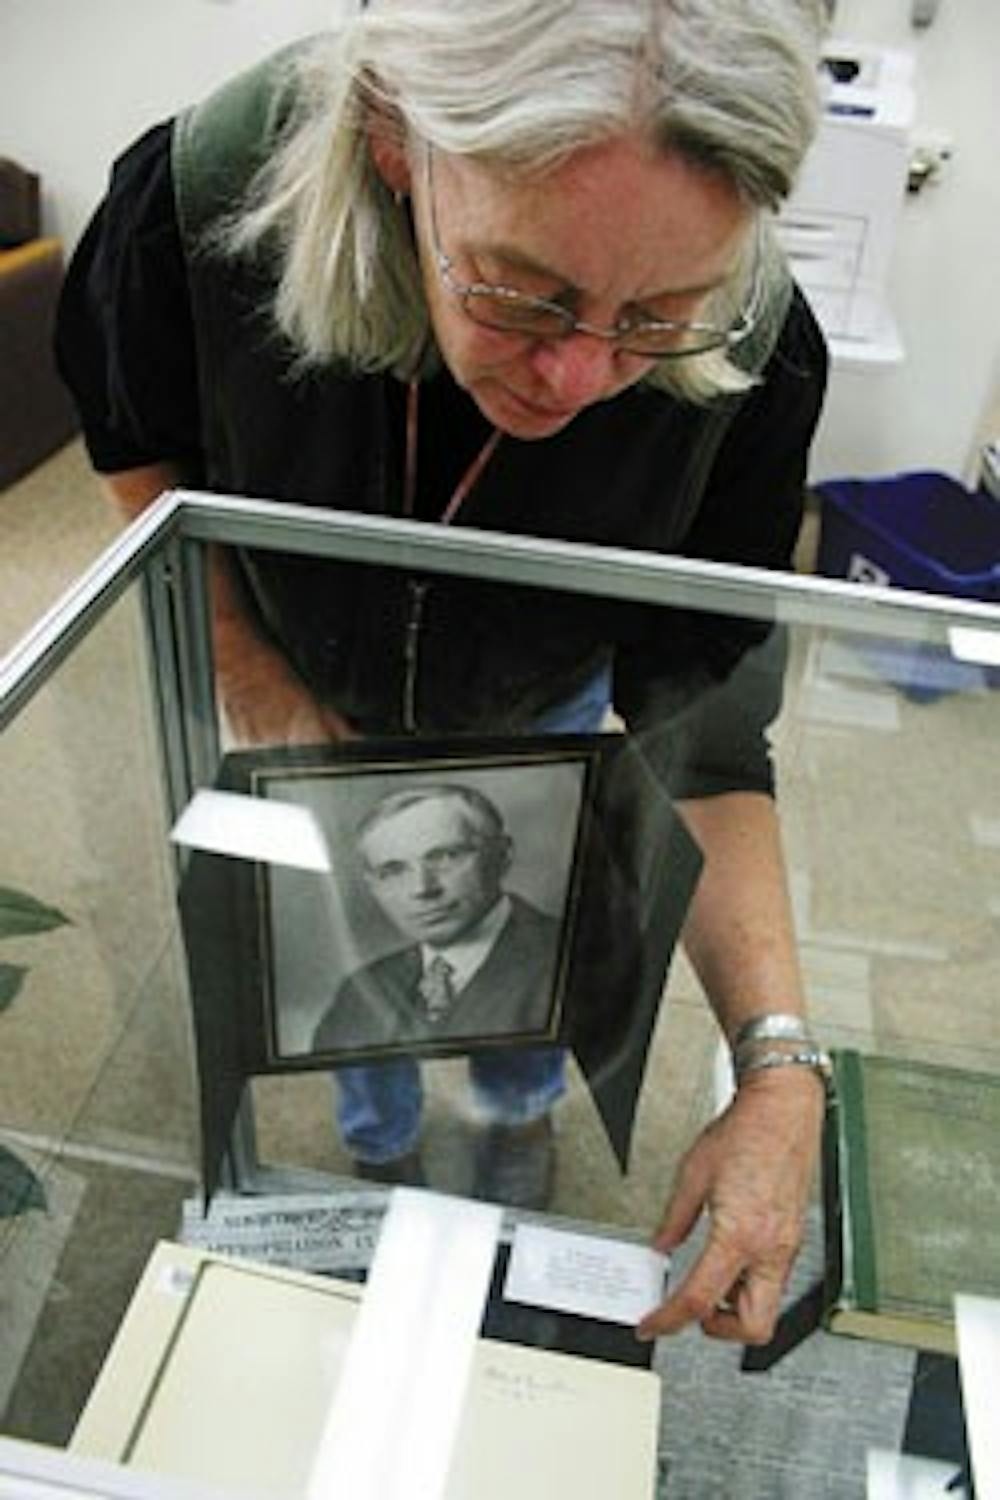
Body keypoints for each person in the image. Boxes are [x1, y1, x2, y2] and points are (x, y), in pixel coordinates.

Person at [55, 0, 832, 1345]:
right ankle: (378, 1132)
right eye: (524, 286)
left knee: (539, 916)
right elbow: (139, 438)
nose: (580, 375)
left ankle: (517, 1113)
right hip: (308, 673)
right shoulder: (200, 197)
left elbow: (698, 727)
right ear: (397, 140)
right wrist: (259, 684)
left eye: (659, 314)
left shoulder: (762, 349)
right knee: (356, 949)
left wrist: (779, 1066)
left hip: (540, 689)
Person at [313, 783, 562, 1048]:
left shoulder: (572, 959)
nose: (422, 889)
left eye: (445, 857)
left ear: (503, 855)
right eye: (394, 870)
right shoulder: (359, 995)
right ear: (373, 886)